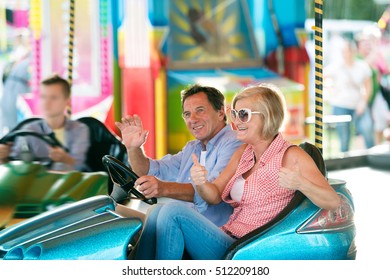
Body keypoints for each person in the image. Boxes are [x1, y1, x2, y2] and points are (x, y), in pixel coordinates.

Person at [135, 83, 340, 260]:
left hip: (249, 248)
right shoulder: (244, 152)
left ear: (268, 116)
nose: (236, 122)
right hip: (229, 238)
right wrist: (201, 182)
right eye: (234, 114)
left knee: (173, 212)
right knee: (156, 212)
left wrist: (301, 184)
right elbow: (214, 195)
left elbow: (332, 201)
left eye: (244, 114)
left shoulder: (291, 156)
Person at [114, 84, 242, 227]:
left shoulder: (234, 142)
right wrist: (133, 148)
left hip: (212, 231)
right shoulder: (192, 148)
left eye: (200, 110)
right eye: (187, 114)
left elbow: (212, 191)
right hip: (183, 226)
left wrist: (163, 188)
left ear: (220, 113)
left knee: (167, 212)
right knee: (110, 209)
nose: (193, 119)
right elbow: (148, 170)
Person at [0, 74, 90, 171]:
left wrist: (65, 159)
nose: (47, 102)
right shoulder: (29, 130)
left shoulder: (79, 129)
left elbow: (80, 166)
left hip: (70, 183)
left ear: (67, 101)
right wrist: (4, 157)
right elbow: (16, 165)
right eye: (43, 97)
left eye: (53, 97)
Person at [324, 39, 375, 152]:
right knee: (344, 137)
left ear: (354, 51)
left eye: (349, 51)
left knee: (366, 130)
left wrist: (363, 103)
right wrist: (329, 92)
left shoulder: (362, 66)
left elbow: (368, 87)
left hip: (358, 104)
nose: (347, 54)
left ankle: (371, 155)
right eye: (345, 51)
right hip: (340, 104)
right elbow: (321, 77)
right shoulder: (336, 66)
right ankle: (345, 162)